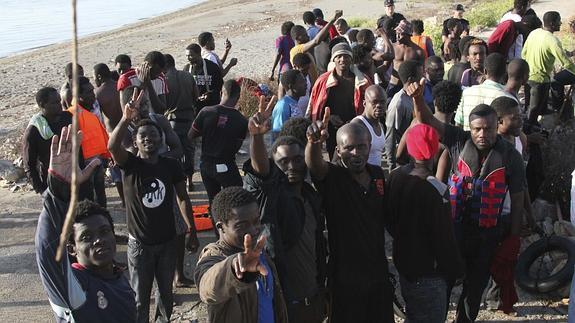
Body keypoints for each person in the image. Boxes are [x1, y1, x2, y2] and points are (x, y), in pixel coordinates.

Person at [406, 78, 526, 323]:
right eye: (477, 129)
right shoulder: (457, 140)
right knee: (446, 283)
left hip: (488, 234)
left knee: (474, 291)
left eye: (488, 129)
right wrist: (418, 98)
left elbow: (518, 198)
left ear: (497, 126)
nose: (482, 134)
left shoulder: (510, 156)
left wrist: (513, 239)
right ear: (470, 128)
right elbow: (427, 120)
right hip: (455, 231)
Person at [108, 88, 199, 323]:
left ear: (161, 139)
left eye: (152, 134)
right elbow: (111, 146)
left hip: (168, 243)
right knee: (140, 298)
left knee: (166, 294)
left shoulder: (170, 165)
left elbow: (182, 198)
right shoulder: (130, 165)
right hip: (140, 246)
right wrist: (126, 118)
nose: (148, 138)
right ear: (136, 142)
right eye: (142, 136)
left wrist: (191, 229)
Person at [35, 126, 136, 323]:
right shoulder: (73, 287)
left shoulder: (118, 277)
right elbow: (47, 251)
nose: (98, 240)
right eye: (86, 237)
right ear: (72, 249)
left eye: (105, 231)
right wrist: (59, 190)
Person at [243, 100, 328, 322]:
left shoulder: (311, 196)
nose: (292, 166)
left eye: (297, 160)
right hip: (283, 303)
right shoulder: (270, 197)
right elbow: (260, 172)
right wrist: (258, 137)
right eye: (283, 161)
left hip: (313, 299)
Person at [306, 115, 394, 322]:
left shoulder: (377, 175)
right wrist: (313, 143)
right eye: (349, 148)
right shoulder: (333, 177)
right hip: (345, 275)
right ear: (338, 151)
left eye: (362, 146)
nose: (356, 153)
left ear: (369, 146)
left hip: (377, 271)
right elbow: (315, 166)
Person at [385, 123, 464, 323]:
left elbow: (389, 219)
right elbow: (444, 238)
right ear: (434, 149)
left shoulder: (395, 177)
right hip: (430, 273)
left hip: (404, 263)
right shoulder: (436, 189)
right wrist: (455, 270)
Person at [194, 187, 288, 323]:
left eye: (256, 221)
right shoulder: (213, 255)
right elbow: (207, 287)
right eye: (241, 226)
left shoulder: (258, 252)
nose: (253, 230)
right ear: (221, 227)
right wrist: (232, 268)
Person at [485, 96, 534, 315]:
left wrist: (529, 214)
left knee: (506, 260)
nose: (520, 121)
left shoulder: (518, 140)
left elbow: (522, 182)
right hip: (489, 213)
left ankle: (497, 299)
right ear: (500, 121)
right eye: (515, 118)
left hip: (509, 212)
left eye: (521, 116)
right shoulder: (489, 147)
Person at [188, 80, 248, 206]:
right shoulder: (242, 121)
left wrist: (209, 131)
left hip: (205, 165)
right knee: (235, 199)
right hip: (226, 165)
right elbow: (236, 148)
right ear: (238, 97)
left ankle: (216, 224)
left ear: (222, 92)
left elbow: (191, 135)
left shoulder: (206, 112)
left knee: (213, 200)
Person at [308, 42, 371, 159]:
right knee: (334, 157)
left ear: (351, 59)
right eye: (338, 56)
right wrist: (330, 117)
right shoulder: (323, 81)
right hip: (331, 128)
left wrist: (356, 120)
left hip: (355, 126)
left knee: (355, 156)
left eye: (346, 56)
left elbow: (369, 105)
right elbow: (314, 106)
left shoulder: (362, 81)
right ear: (333, 60)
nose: (343, 59)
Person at [522, 11, 575, 124]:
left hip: (527, 76)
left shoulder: (534, 33)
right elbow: (566, 63)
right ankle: (531, 132)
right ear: (552, 23)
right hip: (540, 80)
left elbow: (524, 53)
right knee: (533, 111)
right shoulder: (552, 40)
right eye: (558, 21)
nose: (561, 23)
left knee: (529, 106)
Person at [68, 77, 111, 208]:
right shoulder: (72, 115)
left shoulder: (88, 112)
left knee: (100, 196)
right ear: (79, 96)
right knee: (88, 200)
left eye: (92, 90)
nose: (93, 95)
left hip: (97, 162)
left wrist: (107, 155)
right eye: (89, 92)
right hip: (84, 167)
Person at [22, 87, 72, 194]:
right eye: (54, 103)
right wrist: (41, 190)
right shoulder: (34, 131)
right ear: (42, 105)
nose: (60, 105)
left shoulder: (67, 118)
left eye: (59, 101)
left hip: (74, 178)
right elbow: (29, 165)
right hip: (53, 184)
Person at [163, 54, 199, 191]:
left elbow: (163, 103)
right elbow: (196, 96)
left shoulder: (164, 80)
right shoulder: (187, 76)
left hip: (172, 121)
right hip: (189, 119)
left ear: (165, 66)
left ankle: (179, 180)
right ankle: (190, 180)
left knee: (175, 151)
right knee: (189, 150)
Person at [456, 53, 516, 130]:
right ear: (505, 73)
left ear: (485, 71)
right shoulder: (508, 98)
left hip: (468, 140)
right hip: (494, 141)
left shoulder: (467, 93)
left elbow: (458, 123)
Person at [93, 63, 124, 206]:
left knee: (116, 171)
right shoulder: (120, 85)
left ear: (99, 76)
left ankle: (124, 201)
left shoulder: (98, 93)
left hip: (112, 134)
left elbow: (97, 117)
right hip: (127, 129)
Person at [385, 60, 423, 169]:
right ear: (411, 80)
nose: (423, 78)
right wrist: (392, 166)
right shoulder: (398, 103)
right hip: (404, 160)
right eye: (420, 75)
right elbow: (390, 135)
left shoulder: (415, 95)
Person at [290, 10, 343, 85]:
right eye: (305, 35)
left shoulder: (306, 50)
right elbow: (316, 41)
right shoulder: (296, 50)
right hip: (304, 86)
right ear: (297, 38)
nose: (308, 36)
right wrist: (333, 20)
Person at [351, 85, 387, 166]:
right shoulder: (358, 125)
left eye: (382, 102)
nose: (379, 105)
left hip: (375, 175)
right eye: (374, 102)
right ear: (364, 103)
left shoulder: (380, 125)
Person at [388, 20, 425, 99]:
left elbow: (422, 72)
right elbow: (385, 65)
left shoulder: (418, 52)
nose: (397, 36)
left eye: (400, 34)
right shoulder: (393, 48)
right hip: (393, 85)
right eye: (396, 33)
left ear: (408, 35)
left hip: (410, 88)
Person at [184, 43, 224, 112]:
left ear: (199, 54)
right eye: (187, 56)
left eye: (190, 56)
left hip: (211, 107)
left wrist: (210, 94)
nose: (188, 58)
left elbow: (220, 86)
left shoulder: (212, 67)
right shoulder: (187, 69)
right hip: (194, 108)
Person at [271, 70, 307, 140]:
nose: (306, 84)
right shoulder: (283, 106)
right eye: (302, 82)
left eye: (305, 81)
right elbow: (278, 134)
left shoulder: (294, 103)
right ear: (291, 86)